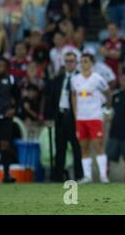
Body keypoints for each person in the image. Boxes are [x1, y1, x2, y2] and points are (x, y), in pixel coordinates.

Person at [71, 53, 112, 184]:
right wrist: (75, 113)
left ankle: (103, 176)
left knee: (98, 144)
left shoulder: (97, 79)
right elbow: (73, 95)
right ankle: (87, 176)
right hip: (81, 118)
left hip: (94, 116)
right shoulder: (75, 79)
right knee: (83, 147)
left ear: (92, 64)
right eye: (81, 62)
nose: (83, 64)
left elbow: (108, 93)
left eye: (86, 61)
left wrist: (107, 110)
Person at [47, 51, 83, 182]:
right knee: (60, 147)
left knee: (76, 147)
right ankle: (58, 176)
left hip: (74, 116)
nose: (69, 64)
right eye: (67, 61)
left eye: (72, 61)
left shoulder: (81, 79)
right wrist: (49, 117)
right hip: (60, 115)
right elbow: (51, 98)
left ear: (76, 63)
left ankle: (80, 176)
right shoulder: (58, 79)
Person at [0, 57, 19, 183]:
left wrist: (14, 109)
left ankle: (6, 175)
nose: (0, 68)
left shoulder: (11, 79)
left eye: (2, 66)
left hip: (5, 117)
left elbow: (18, 97)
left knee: (5, 144)